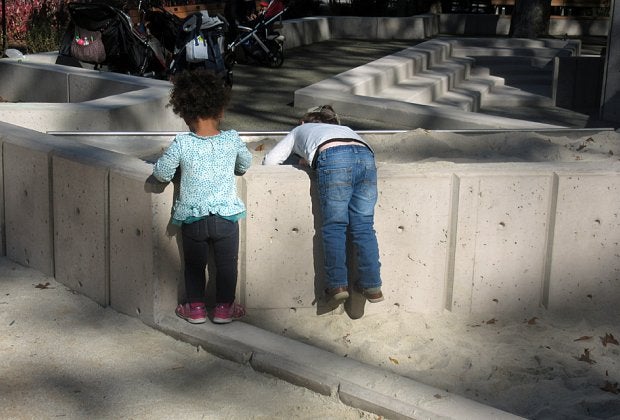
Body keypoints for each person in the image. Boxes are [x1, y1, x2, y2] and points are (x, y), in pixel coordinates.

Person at [152, 68, 252, 324]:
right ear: (220, 110)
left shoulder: (182, 143)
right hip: (226, 218)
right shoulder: (231, 140)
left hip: (193, 218)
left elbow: (162, 174)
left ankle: (195, 309)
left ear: (185, 114)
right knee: (227, 265)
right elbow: (244, 164)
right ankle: (223, 309)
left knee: (194, 266)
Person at [263, 105, 383, 307]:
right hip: (365, 156)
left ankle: (337, 285)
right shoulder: (346, 130)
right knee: (363, 226)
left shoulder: (299, 130)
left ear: (303, 122)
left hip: (333, 156)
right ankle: (372, 285)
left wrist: (305, 160)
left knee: (334, 225)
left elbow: (270, 161)